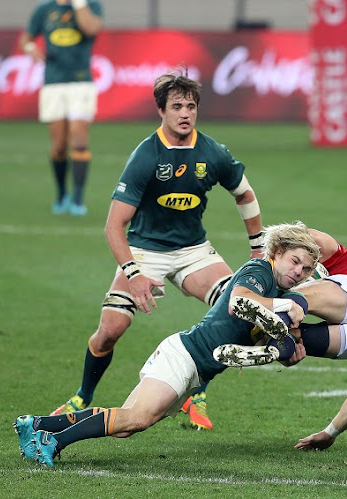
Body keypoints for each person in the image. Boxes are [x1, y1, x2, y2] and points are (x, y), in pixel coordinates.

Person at [49, 68, 266, 431]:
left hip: (194, 250)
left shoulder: (212, 152)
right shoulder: (146, 157)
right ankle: (83, 395)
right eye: (177, 106)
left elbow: (244, 193)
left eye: (191, 106)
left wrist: (258, 249)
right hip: (146, 250)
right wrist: (134, 274)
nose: (185, 113)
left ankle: (195, 393)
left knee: (237, 311)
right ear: (161, 111)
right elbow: (113, 226)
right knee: (110, 330)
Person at [14, 222, 320, 468]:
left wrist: (284, 351)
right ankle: (52, 443)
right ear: (277, 252)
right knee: (137, 418)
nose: (298, 272)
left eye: (306, 269)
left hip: (196, 369)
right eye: (295, 262)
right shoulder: (259, 272)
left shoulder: (277, 291)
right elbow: (239, 303)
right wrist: (283, 312)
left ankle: (37, 425)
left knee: (126, 425)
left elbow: (257, 338)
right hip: (184, 356)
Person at [215, 228, 347, 450]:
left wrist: (270, 247)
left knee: (297, 298)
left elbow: (300, 235)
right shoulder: (332, 260)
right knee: (296, 338)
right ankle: (276, 348)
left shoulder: (338, 256)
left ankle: (264, 335)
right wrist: (330, 433)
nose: (299, 271)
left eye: (305, 267)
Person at [20, 0, 103, 216]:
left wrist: (78, 5)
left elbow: (91, 28)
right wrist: (31, 48)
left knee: (79, 138)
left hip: (81, 82)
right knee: (58, 146)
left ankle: (78, 199)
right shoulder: (44, 9)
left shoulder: (89, 5)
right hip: (53, 83)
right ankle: (61, 193)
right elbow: (26, 37)